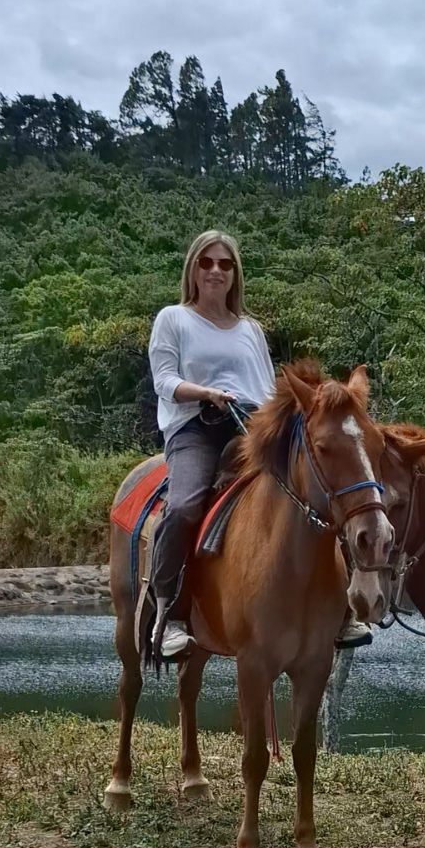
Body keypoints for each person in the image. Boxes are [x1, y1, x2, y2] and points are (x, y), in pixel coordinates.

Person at [147, 231, 275, 659]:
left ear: (235, 272)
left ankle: (343, 608)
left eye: (224, 263)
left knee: (314, 485)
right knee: (184, 506)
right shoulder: (174, 319)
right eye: (206, 263)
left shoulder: (251, 329)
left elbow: (270, 389)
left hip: (252, 426)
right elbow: (163, 380)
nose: (216, 270)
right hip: (197, 427)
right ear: (193, 270)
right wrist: (205, 392)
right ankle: (166, 611)